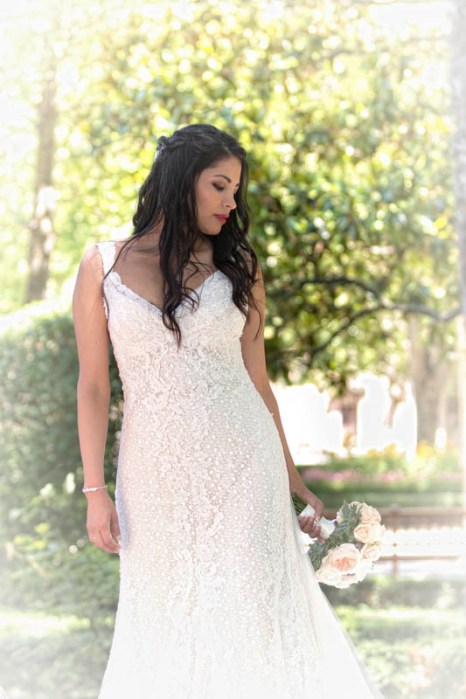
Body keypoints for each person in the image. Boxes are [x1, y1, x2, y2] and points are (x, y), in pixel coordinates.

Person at [73, 124, 382, 698]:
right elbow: (92, 386)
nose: (230, 202)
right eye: (219, 185)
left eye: (235, 190)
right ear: (182, 179)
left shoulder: (238, 266)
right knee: (164, 614)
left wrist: (294, 483)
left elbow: (258, 384)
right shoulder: (103, 265)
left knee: (251, 610)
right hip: (154, 475)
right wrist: (95, 490)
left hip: (244, 464)